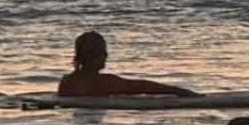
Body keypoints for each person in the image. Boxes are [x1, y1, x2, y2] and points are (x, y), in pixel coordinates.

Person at [57, 30, 196, 98]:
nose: (106, 56)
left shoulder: (66, 81)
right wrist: (180, 92)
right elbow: (143, 87)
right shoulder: (103, 82)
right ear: (94, 56)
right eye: (103, 52)